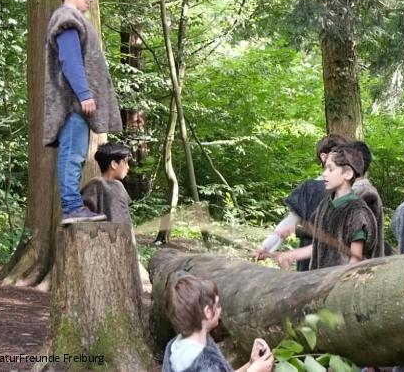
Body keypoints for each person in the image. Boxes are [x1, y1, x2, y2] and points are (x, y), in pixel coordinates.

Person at [44, 0, 123, 225]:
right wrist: (84, 94)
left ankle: (74, 207)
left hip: (77, 103)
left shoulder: (73, 18)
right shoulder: (67, 18)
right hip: (72, 104)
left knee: (76, 154)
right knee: (73, 155)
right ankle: (72, 208)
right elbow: (70, 61)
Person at [278, 144, 378, 270]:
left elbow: (355, 259)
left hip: (341, 280)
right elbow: (319, 247)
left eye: (330, 169)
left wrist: (340, 281)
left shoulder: (357, 212)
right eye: (325, 168)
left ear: (347, 174)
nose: (324, 174)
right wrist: (292, 255)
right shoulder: (325, 205)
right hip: (320, 279)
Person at [254, 134, 346, 270]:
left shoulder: (310, 188)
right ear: (324, 157)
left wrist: (265, 246)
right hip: (340, 266)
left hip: (313, 266)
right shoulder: (353, 189)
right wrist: (265, 247)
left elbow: (287, 225)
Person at [162, 274, 274, 372]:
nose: (220, 309)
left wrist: (251, 364)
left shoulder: (173, 347)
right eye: (217, 305)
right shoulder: (205, 361)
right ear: (208, 312)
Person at [82, 142, 134, 224]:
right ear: (114, 164)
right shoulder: (117, 187)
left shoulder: (91, 186)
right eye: (125, 162)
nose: (128, 167)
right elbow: (121, 222)